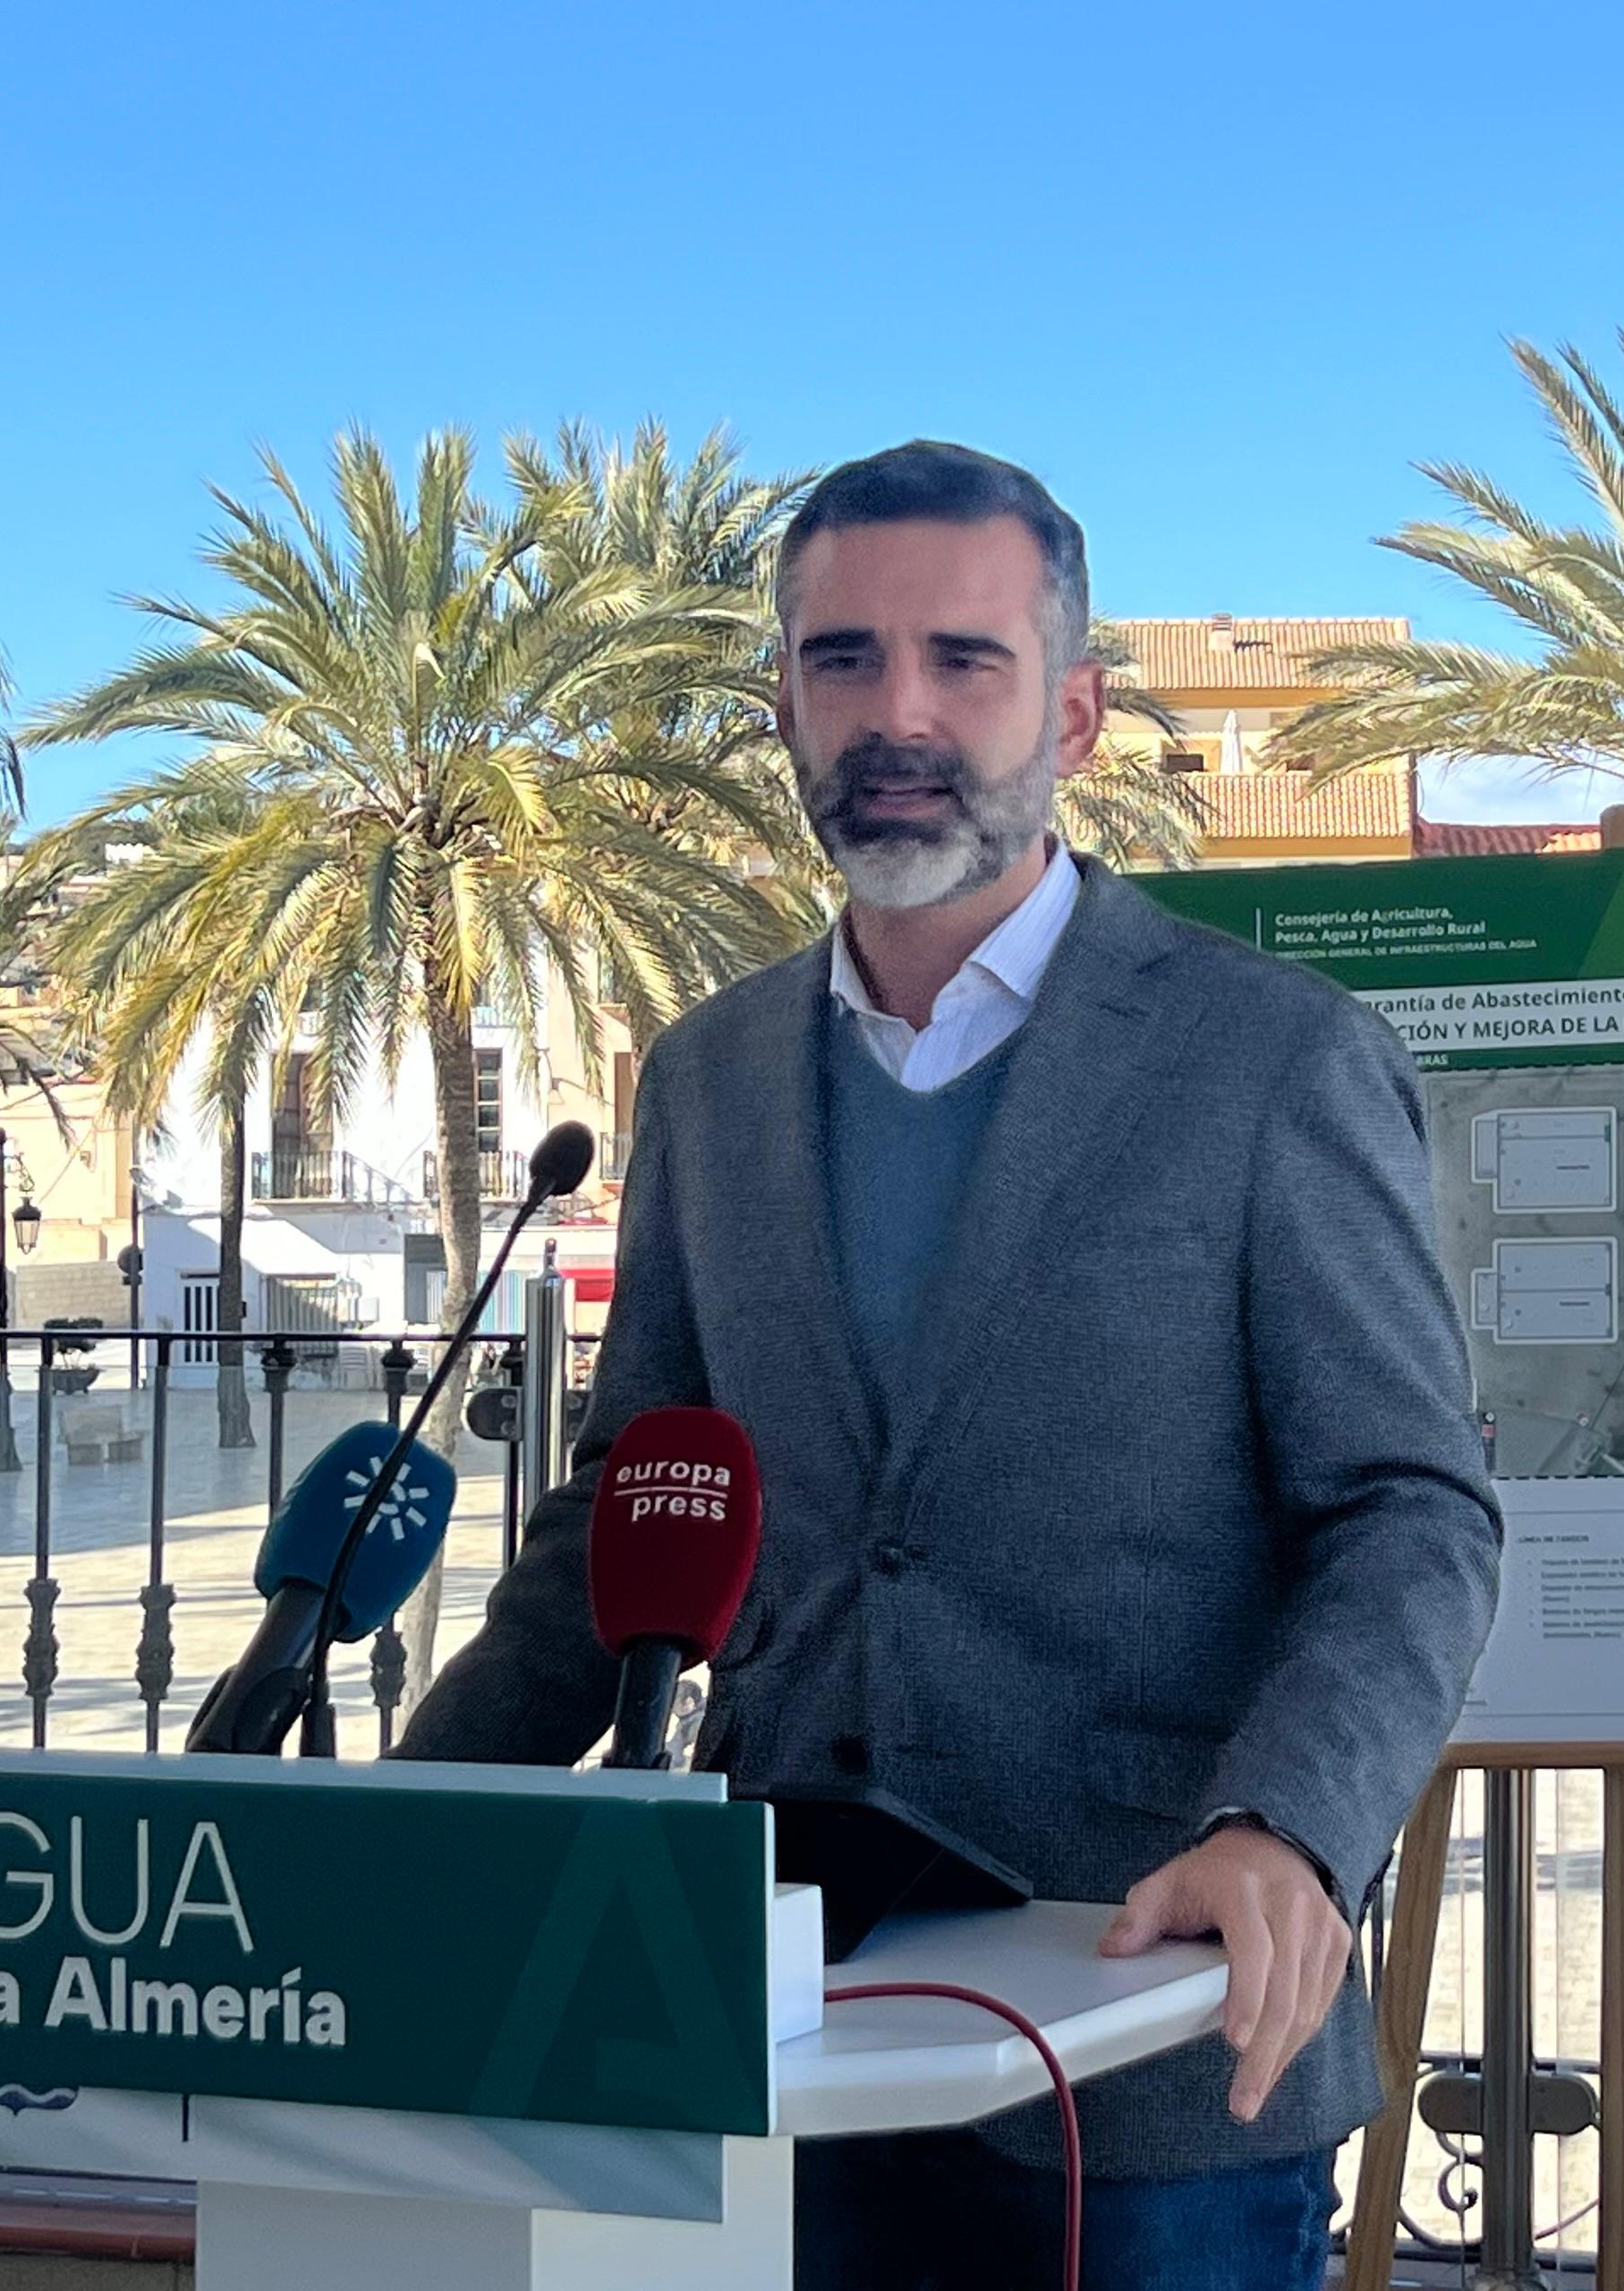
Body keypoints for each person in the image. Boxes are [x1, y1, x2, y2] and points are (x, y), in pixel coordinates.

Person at [392, 439, 1504, 2288]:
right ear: (781, 706)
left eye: (960, 661)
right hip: (772, 2018)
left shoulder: (1269, 1060)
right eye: (841, 659)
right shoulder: (706, 1076)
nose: (894, 712)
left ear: (1067, 712)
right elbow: (630, 1509)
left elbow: (1407, 1511)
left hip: (1142, 2049)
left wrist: (1290, 1827)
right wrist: (394, 1831)